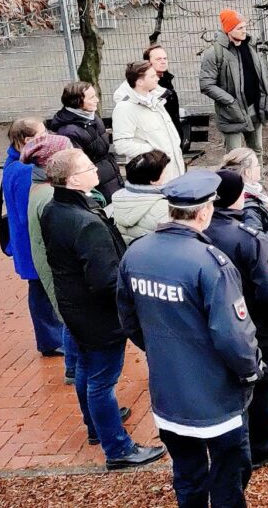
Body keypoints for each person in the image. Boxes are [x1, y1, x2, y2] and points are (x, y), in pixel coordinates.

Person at [117, 169, 262, 507]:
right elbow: (233, 336)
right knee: (229, 478)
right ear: (204, 212)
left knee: (188, 475)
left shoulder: (135, 254)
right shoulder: (211, 263)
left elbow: (129, 319)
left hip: (168, 395)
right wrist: (251, 370)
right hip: (217, 399)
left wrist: (161, 350)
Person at [39, 148, 166, 469]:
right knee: (101, 380)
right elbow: (106, 281)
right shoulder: (86, 223)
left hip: (74, 310)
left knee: (86, 369)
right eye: (87, 166)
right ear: (72, 179)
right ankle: (118, 448)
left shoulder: (54, 209)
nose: (95, 168)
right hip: (98, 317)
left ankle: (96, 425)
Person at [202, 170, 268, 465]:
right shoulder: (248, 238)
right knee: (263, 385)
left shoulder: (201, 231)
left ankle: (236, 445)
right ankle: (262, 444)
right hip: (258, 326)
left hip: (218, 324)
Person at [2, 117, 66, 357]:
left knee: (39, 287)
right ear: (28, 140)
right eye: (43, 133)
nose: (47, 135)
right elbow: (28, 212)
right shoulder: (24, 171)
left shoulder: (14, 163)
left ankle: (51, 337)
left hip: (27, 240)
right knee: (41, 289)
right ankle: (50, 340)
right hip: (32, 242)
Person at [23, 132, 77, 385]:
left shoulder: (41, 188)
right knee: (73, 321)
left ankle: (73, 367)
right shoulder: (49, 197)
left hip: (53, 267)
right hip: (60, 271)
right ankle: (75, 369)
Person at [200, 8, 268, 160]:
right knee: (235, 158)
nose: (244, 31)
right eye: (240, 28)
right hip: (231, 114)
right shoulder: (214, 54)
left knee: (257, 151)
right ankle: (237, 184)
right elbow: (206, 84)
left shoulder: (251, 47)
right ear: (228, 30)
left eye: (245, 26)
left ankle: (258, 183)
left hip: (254, 109)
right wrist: (230, 101)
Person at [47, 81, 124, 201]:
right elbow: (78, 167)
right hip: (97, 185)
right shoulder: (69, 132)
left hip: (110, 177)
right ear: (77, 101)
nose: (97, 100)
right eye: (92, 97)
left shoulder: (92, 117)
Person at [112, 60, 187, 178]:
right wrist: (154, 152)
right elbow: (121, 145)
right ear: (140, 82)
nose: (157, 79)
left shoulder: (156, 100)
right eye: (152, 76)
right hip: (152, 175)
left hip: (173, 171)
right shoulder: (124, 108)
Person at [221, 147, 268, 261]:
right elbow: (257, 244)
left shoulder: (231, 192)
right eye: (257, 165)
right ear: (248, 171)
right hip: (262, 268)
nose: (259, 168)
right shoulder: (247, 204)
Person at [109, 150, 172, 244]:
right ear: (153, 181)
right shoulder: (164, 208)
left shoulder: (117, 199)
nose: (166, 174)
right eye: (164, 172)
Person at [144, 43, 190, 153]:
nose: (163, 61)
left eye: (165, 58)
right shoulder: (147, 84)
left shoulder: (166, 80)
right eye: (158, 59)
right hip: (159, 144)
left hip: (174, 139)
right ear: (148, 62)